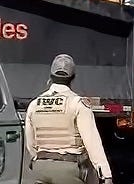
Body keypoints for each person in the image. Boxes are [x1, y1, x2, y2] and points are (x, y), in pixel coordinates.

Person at [24, 54, 113, 184]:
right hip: (69, 169)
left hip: (41, 168)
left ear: (51, 77)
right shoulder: (77, 104)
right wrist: (105, 174)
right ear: (73, 78)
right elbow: (92, 143)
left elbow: (30, 144)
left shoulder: (34, 104)